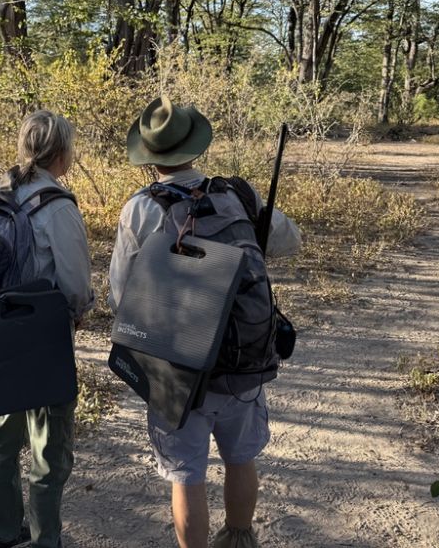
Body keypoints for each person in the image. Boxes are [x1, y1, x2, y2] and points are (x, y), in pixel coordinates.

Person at [108, 97, 301, 548]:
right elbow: (288, 241)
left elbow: (122, 294)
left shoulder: (140, 208)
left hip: (177, 366)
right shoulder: (238, 193)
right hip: (243, 357)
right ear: (195, 147)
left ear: (150, 156)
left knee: (186, 475)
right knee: (240, 458)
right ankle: (238, 538)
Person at [0, 110, 94, 548]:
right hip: (42, 338)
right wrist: (79, 311)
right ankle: (47, 538)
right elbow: (75, 283)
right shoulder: (58, 205)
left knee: (3, 441)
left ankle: (1, 532)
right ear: (61, 152)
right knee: (49, 450)